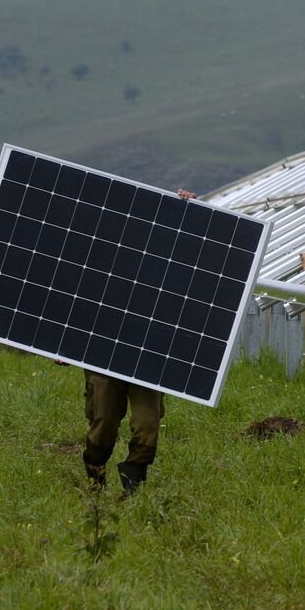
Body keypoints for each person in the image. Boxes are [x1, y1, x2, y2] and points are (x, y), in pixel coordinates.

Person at [80, 187, 196, 495]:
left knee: (147, 426)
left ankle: (133, 485)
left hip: (147, 355)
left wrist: (190, 212)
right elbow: (75, 299)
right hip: (104, 352)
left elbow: (190, 256)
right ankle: (95, 473)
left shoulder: (160, 259)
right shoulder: (99, 255)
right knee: (103, 423)